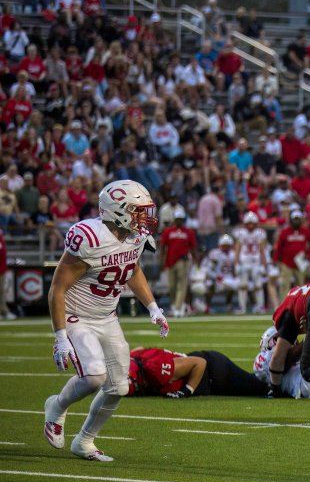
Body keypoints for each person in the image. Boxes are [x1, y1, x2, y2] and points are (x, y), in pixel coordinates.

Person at [43, 180, 169, 462]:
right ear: (118, 211)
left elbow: (132, 270)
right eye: (138, 211)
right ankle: (57, 406)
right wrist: (61, 337)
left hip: (107, 316)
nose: (144, 218)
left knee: (119, 387)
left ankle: (85, 441)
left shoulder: (135, 236)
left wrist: (153, 307)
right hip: (76, 316)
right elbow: (57, 289)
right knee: (94, 377)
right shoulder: (89, 237)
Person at [128, 347, 268, 398]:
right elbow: (138, 349)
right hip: (208, 378)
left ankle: (276, 374)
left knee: (264, 390)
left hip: (214, 373)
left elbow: (200, 363)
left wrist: (186, 391)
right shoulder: (134, 359)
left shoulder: (155, 369)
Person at [160, 211, 196, 318]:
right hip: (170, 261)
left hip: (183, 261)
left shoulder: (188, 232)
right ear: (174, 219)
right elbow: (162, 247)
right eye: (177, 219)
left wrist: (195, 260)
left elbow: (193, 247)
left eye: (181, 219)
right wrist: (162, 261)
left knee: (182, 285)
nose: (179, 221)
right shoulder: (168, 231)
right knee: (171, 286)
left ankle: (178, 307)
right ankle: (174, 305)